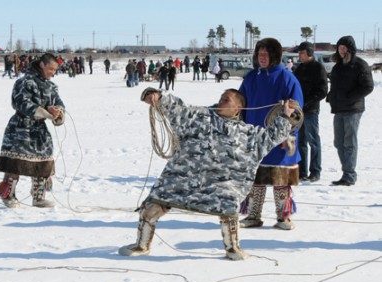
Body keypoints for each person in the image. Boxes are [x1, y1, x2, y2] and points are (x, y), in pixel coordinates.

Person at [118, 87, 297, 260]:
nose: (220, 101)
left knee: (229, 206)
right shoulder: (198, 117)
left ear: (238, 107)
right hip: (182, 179)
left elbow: (273, 136)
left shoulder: (249, 134)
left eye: (226, 100)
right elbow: (178, 109)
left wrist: (285, 116)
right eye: (220, 98)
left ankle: (233, 248)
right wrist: (158, 97)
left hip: (223, 186)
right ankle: (142, 245)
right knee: (151, 208)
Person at [238, 38, 304, 230]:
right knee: (256, 178)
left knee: (280, 178)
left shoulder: (287, 78)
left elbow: (297, 112)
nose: (262, 58)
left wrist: (289, 134)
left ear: (275, 56)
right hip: (254, 136)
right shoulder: (250, 78)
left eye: (266, 55)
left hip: (280, 138)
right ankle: (253, 216)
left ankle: (283, 217)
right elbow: (240, 104)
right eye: (260, 55)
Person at [0, 53, 66, 208]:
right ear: (42, 65)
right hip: (20, 128)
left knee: (43, 162)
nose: (53, 73)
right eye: (51, 69)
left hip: (40, 130)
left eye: (55, 70)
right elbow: (21, 103)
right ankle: (8, 195)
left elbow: (59, 104)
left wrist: (57, 112)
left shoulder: (51, 87)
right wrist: (45, 111)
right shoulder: (24, 82)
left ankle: (38, 197)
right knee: (16, 163)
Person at [327, 35, 374, 186]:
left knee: (349, 142)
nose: (341, 50)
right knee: (338, 142)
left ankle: (349, 174)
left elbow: (368, 86)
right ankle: (346, 171)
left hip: (353, 109)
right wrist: (331, 96)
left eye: (343, 48)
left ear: (350, 49)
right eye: (339, 48)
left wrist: (350, 97)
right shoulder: (338, 66)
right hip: (339, 108)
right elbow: (335, 86)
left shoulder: (360, 65)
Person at [294, 41, 328, 182]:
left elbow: (322, 91)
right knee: (300, 141)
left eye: (301, 52)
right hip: (298, 111)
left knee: (313, 141)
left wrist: (307, 103)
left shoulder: (318, 68)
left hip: (311, 111)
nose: (299, 55)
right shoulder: (299, 68)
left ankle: (315, 171)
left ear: (309, 53)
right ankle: (302, 171)